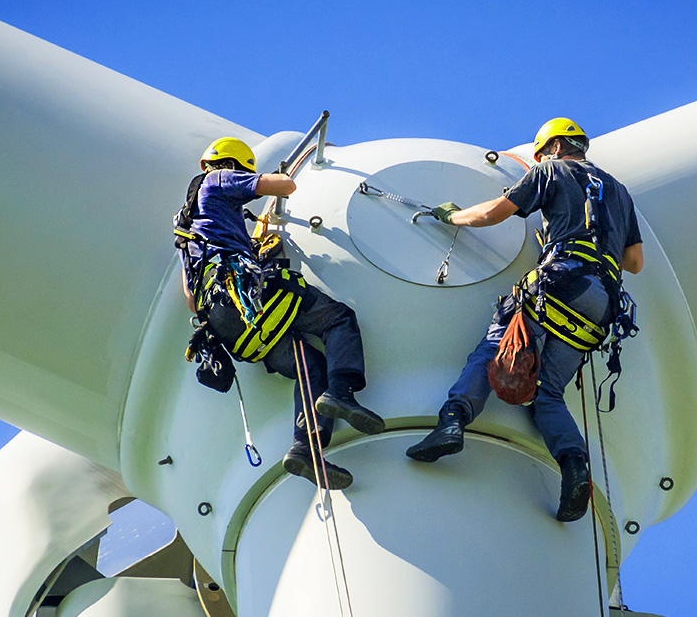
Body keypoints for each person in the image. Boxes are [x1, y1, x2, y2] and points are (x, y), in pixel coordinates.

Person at [404, 118, 644, 521]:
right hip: (601, 305)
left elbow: (495, 214)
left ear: (551, 148)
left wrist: (452, 218)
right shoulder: (618, 192)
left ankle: (452, 423)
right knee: (547, 393)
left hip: (560, 282)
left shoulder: (550, 170)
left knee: (494, 350)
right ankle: (575, 467)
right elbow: (634, 262)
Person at [178, 137, 385, 489]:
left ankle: (305, 450)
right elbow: (283, 185)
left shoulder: (186, 225)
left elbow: (190, 299)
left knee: (309, 364)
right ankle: (341, 392)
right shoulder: (218, 180)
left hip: (225, 321)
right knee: (337, 319)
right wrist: (274, 178)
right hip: (246, 293)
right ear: (234, 165)